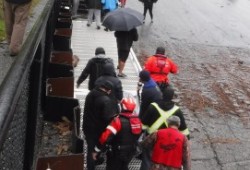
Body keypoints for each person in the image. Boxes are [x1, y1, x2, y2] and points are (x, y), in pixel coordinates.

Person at [140, 87, 190, 170]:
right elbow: (184, 130)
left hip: (152, 138)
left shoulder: (153, 106)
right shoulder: (177, 110)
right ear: (172, 97)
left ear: (162, 95)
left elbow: (143, 124)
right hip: (168, 140)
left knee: (147, 160)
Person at [92, 96, 142, 170]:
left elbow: (105, 137)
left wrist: (96, 150)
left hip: (116, 153)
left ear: (122, 107)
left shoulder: (117, 121)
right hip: (130, 152)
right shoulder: (138, 121)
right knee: (124, 167)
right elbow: (138, 136)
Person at [83, 80, 118, 170]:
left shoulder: (91, 94)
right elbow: (107, 118)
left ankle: (96, 161)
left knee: (90, 147)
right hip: (97, 129)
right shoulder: (105, 100)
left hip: (87, 126)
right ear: (108, 90)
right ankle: (91, 166)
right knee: (93, 150)